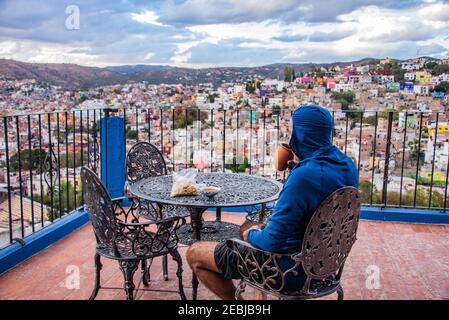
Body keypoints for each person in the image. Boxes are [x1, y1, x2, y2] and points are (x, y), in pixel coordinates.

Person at [186, 105, 358, 300]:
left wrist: (249, 234)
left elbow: (272, 242)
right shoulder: (347, 165)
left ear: (302, 134)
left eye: (294, 131)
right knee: (254, 225)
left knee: (196, 252)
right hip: (324, 265)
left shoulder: (304, 177)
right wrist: (298, 167)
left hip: (289, 270)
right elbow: (319, 188)